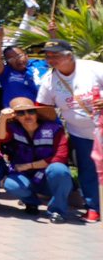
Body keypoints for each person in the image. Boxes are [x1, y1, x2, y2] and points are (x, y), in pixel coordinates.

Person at [35, 38, 103, 223]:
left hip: (101, 128)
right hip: (80, 133)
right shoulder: (49, 80)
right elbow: (42, 107)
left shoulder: (93, 68)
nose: (51, 59)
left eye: (55, 55)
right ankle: (93, 208)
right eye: (48, 56)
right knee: (87, 171)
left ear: (69, 55)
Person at [0, 97, 73, 222]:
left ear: (36, 113)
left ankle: (57, 210)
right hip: (24, 176)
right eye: (21, 113)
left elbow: (60, 157)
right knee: (11, 184)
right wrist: (3, 118)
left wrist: (29, 166)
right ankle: (31, 202)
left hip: (48, 176)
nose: (27, 116)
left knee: (59, 169)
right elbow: (1, 138)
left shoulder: (55, 129)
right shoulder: (12, 128)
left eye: (31, 111)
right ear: (15, 116)